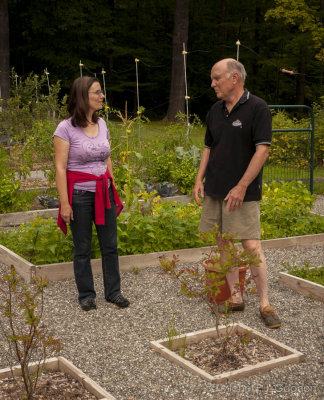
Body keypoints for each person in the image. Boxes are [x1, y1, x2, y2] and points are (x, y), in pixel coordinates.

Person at [193, 58, 281, 328]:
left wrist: (241, 186)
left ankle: (265, 303)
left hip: (243, 192)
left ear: (234, 78)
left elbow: (262, 151)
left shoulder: (257, 108)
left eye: (216, 77)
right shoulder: (215, 111)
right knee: (223, 244)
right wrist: (199, 180)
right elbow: (208, 147)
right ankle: (235, 297)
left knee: (251, 246)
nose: (213, 83)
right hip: (216, 188)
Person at [54, 76, 130, 311]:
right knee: (83, 247)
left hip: (103, 190)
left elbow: (107, 158)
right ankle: (86, 295)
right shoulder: (65, 128)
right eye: (97, 92)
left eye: (101, 92)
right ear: (82, 97)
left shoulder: (103, 124)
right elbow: (60, 167)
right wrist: (65, 203)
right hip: (79, 195)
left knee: (110, 244)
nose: (102, 96)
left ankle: (113, 292)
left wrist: (113, 188)